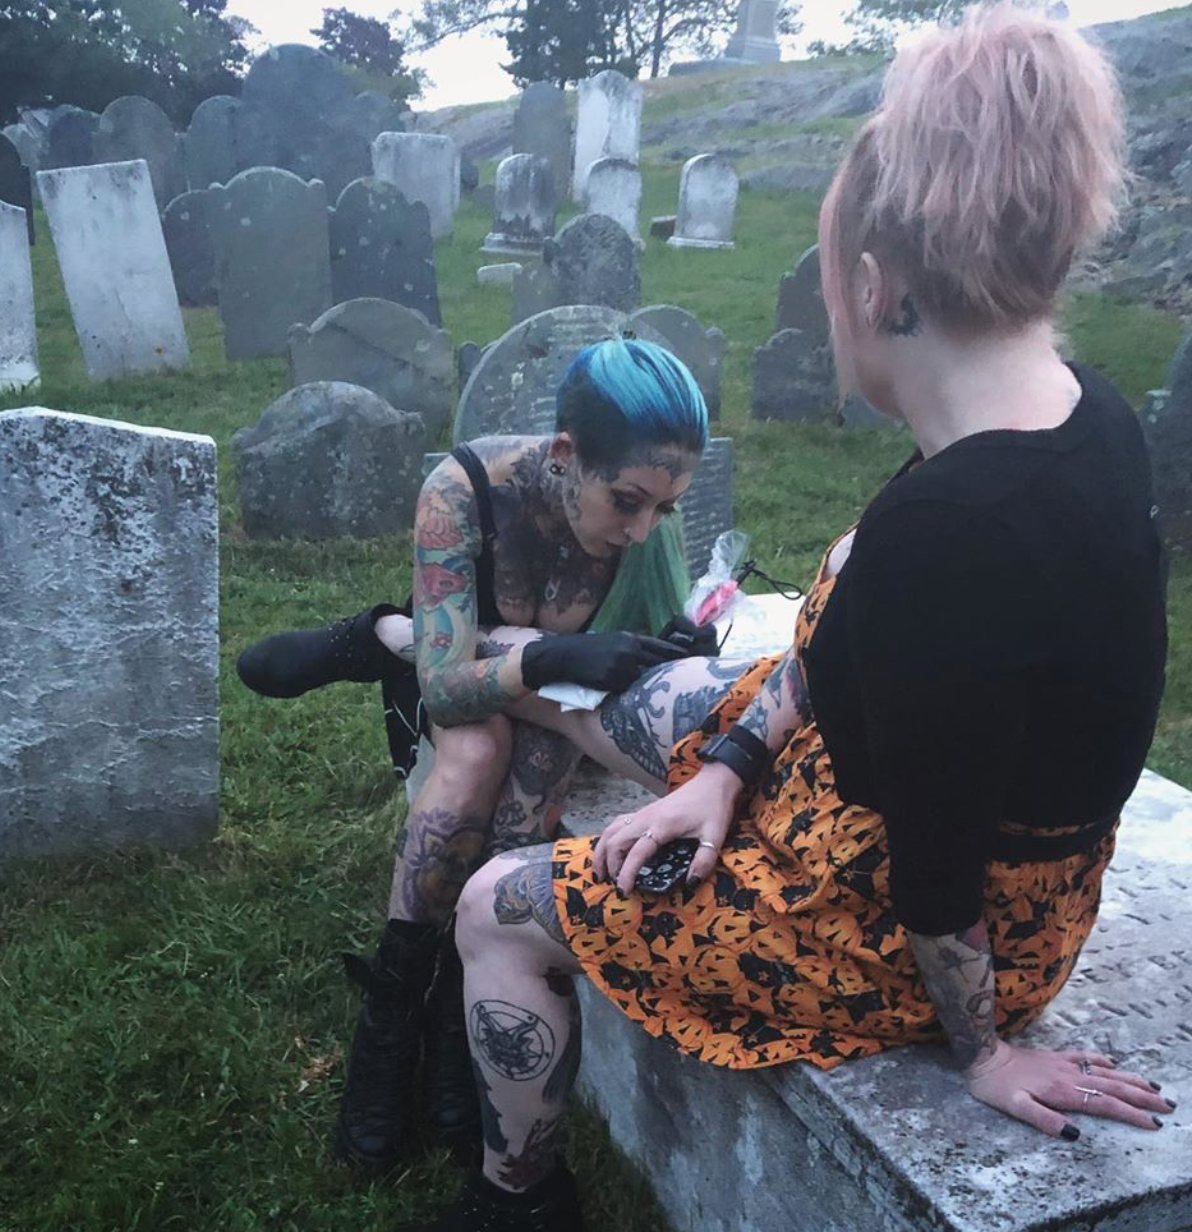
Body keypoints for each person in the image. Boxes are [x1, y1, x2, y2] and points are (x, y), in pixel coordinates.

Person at [400, 7, 1174, 1229]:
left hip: (880, 914)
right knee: (625, 693)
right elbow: (849, 642)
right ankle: (430, 656)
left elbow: (934, 869)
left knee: (499, 898)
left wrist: (980, 1049)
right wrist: (724, 773)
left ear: (874, 288)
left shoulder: (954, 532)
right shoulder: (1067, 416)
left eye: (827, 281)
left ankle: (517, 1193)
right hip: (842, 790)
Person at [235, 338, 717, 1168]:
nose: (642, 530)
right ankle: (387, 1035)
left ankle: (462, 1024)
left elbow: (626, 673)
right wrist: (552, 655)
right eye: (627, 501)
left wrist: (676, 645)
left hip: (552, 711)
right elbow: (453, 685)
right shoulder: (462, 490)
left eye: (665, 509)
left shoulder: (646, 524)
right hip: (476, 688)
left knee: (533, 789)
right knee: (475, 756)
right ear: (566, 456)